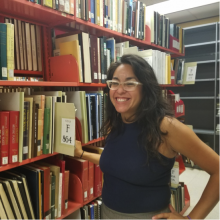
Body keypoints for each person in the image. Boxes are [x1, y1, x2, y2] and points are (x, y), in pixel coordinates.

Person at [75, 54, 220, 220]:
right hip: (107, 214)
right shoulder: (117, 122)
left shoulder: (166, 127)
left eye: (130, 83)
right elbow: (118, 163)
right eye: (114, 83)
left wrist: (190, 219)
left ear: (146, 88)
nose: (120, 90)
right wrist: (80, 153)